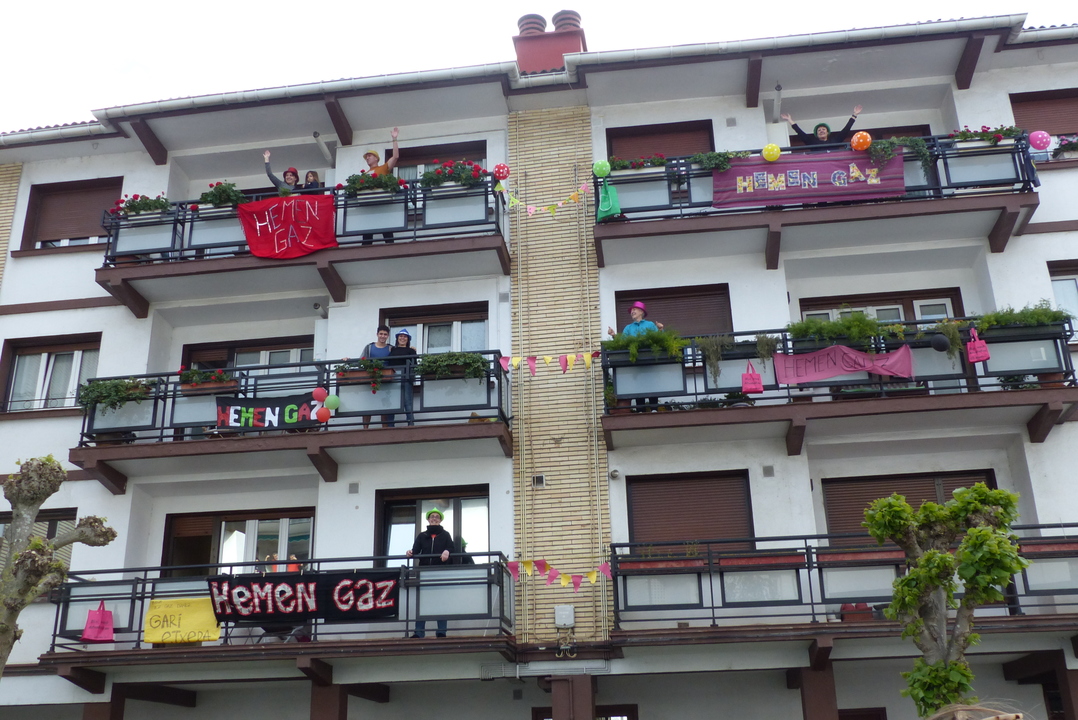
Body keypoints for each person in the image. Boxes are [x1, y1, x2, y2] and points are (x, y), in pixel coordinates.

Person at [607, 301, 665, 412]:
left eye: (634, 309)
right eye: (631, 310)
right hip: (635, 360)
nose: (632, 312)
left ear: (641, 312)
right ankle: (640, 409)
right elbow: (622, 343)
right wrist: (614, 335)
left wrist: (661, 330)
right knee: (637, 383)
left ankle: (654, 408)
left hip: (649, 359)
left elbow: (659, 340)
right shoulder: (628, 328)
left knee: (651, 382)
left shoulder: (650, 325)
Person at [405, 508, 453, 638]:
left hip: (440, 572)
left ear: (440, 520)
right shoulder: (422, 536)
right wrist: (410, 552)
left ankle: (441, 631)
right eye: (432, 516)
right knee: (422, 601)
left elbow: (451, 548)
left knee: (441, 601)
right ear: (428, 519)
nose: (434, 518)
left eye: (437, 517)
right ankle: (419, 632)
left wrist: (447, 551)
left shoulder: (446, 535)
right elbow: (415, 550)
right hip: (424, 572)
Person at [361, 127, 401, 245]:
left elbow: (395, 157)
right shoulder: (364, 175)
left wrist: (394, 139)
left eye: (369, 156)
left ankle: (390, 247)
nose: (367, 158)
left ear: (376, 158)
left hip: (382, 202)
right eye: (366, 156)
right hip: (369, 205)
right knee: (367, 232)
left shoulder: (382, 168)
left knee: (386, 228)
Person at [361, 325, 393, 429]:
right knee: (368, 405)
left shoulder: (391, 348)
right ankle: (365, 429)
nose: (383, 336)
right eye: (381, 334)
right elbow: (362, 361)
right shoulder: (369, 347)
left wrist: (411, 348)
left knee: (384, 405)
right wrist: (347, 360)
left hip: (386, 380)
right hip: (370, 379)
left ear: (388, 336)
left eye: (385, 334)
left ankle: (385, 429)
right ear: (377, 334)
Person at [781, 105, 863, 145]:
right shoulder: (812, 142)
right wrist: (790, 120)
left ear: (827, 132)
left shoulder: (835, 140)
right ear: (816, 134)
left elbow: (846, 130)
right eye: (819, 130)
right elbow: (800, 133)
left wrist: (855, 115)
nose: (821, 131)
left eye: (823, 129)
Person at [386, 329, 416, 427]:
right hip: (393, 378)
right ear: (397, 338)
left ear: (408, 339)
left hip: (406, 379)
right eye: (401, 336)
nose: (402, 338)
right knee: (391, 402)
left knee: (407, 402)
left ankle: (410, 424)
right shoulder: (392, 350)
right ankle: (390, 426)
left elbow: (414, 365)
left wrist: (411, 378)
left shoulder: (411, 351)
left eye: (405, 336)